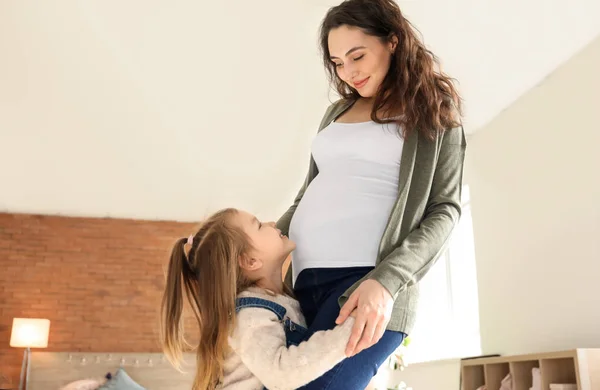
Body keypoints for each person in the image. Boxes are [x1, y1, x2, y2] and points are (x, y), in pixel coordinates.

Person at [276, 0, 466, 388]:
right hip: (304, 283)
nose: (348, 71)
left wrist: (387, 281)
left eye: (357, 55)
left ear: (392, 42)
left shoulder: (434, 112)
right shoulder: (335, 113)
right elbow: (306, 196)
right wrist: (249, 247)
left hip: (364, 284)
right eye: (338, 63)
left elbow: (444, 210)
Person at [160, 208, 355, 390]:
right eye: (260, 225)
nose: (272, 223)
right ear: (250, 261)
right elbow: (280, 373)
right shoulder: (250, 316)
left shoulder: (278, 303)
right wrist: (352, 329)